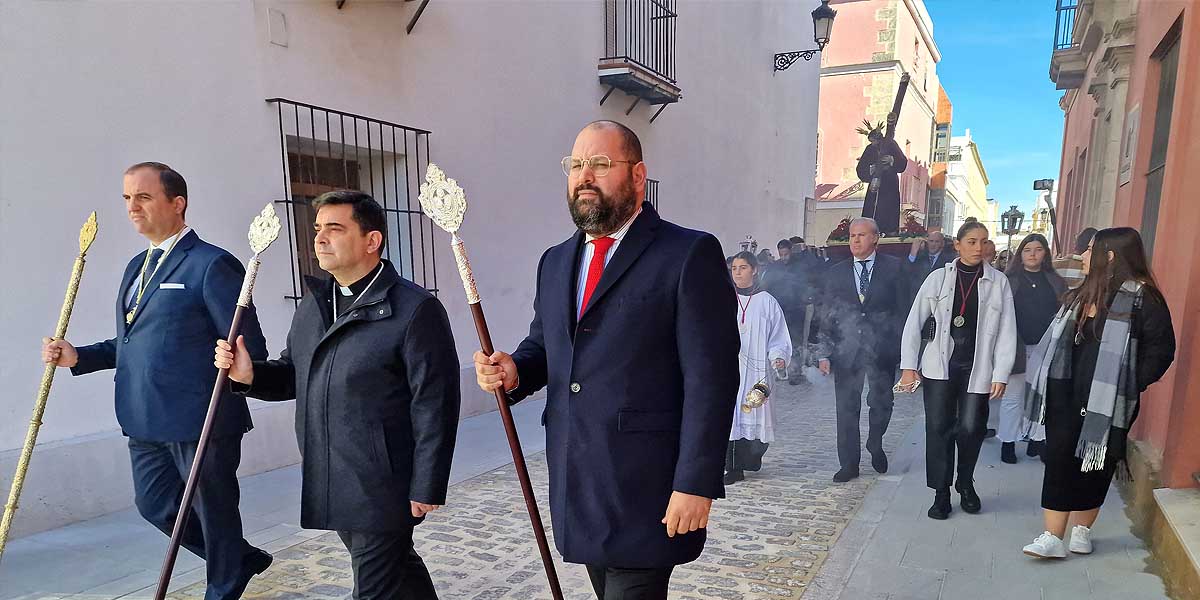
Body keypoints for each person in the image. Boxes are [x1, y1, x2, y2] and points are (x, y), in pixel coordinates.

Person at [473, 120, 740, 599]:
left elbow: (711, 378)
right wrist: (515, 369)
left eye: (600, 163)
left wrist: (697, 482)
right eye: (575, 165)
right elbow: (547, 346)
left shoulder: (687, 254)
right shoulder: (555, 261)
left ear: (637, 176)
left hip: (648, 486)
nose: (584, 176)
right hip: (579, 479)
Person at [42, 162, 272, 600]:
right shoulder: (136, 266)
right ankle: (237, 558)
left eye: (143, 197)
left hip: (200, 419)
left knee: (213, 510)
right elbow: (133, 339)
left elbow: (248, 346)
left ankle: (223, 585)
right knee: (155, 506)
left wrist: (242, 366)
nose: (132, 208)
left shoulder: (211, 264)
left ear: (177, 203)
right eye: (127, 198)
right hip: (143, 418)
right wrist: (79, 356)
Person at [215, 191, 460, 599]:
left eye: (335, 228)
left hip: (384, 479)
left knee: (375, 584)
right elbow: (294, 375)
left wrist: (428, 483)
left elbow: (435, 402)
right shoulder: (314, 305)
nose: (320, 238)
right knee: (398, 569)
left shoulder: (415, 310)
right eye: (317, 229)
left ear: (372, 240)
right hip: (331, 471)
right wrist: (249, 375)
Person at [1021, 227, 1175, 559]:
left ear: (1110, 256)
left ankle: (1082, 529)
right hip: (1064, 393)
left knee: (1095, 464)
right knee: (1059, 460)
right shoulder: (1083, 292)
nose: (1083, 255)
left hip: (1108, 402)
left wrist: (1131, 383)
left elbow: (1161, 351)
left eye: (1091, 250)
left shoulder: (1144, 298)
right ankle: (1051, 536)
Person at [898, 221, 1017, 520]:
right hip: (940, 365)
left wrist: (1001, 373)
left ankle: (965, 482)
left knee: (970, 428)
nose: (979, 248)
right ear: (959, 245)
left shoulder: (998, 282)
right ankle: (941, 493)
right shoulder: (938, 279)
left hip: (977, 366)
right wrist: (909, 367)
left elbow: (1007, 331)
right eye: (972, 241)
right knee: (938, 428)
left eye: (983, 242)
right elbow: (915, 323)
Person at [815, 218, 908, 483]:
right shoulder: (835, 273)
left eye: (861, 235)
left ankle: (875, 443)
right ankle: (849, 464)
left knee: (881, 402)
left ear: (875, 238)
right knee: (846, 407)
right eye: (852, 235)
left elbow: (903, 310)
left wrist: (905, 350)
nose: (855, 240)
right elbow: (826, 313)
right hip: (847, 350)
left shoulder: (894, 268)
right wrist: (823, 352)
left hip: (882, 348)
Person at [725, 251, 792, 485]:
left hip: (757, 371)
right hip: (730, 367)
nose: (737, 272)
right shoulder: (724, 299)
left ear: (754, 270)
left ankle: (752, 458)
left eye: (742, 267)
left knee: (754, 410)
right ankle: (733, 468)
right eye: (734, 268)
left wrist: (778, 356)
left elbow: (778, 336)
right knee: (731, 416)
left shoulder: (767, 302)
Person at [997, 234, 1064, 464]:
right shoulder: (1009, 280)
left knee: (1042, 396)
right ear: (1020, 254)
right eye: (1027, 250)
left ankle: (1037, 440)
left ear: (1045, 252)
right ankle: (1008, 442)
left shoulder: (1055, 280)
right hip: (1016, 345)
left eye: (1038, 249)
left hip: (1045, 346)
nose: (1033, 254)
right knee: (1013, 397)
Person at [763, 238, 813, 385]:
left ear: (790, 251)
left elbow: (806, 285)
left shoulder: (800, 266)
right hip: (780, 310)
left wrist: (806, 297)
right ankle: (781, 370)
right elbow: (767, 286)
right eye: (781, 254)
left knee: (795, 340)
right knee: (780, 341)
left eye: (786, 254)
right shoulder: (774, 268)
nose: (783, 258)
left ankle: (795, 372)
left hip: (796, 310)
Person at [856, 116, 909, 234]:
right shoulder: (869, 149)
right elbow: (860, 170)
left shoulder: (891, 144)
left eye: (874, 141)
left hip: (889, 185)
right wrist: (871, 169)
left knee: (888, 211)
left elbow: (902, 163)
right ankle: (869, 231)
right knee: (872, 210)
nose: (873, 144)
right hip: (875, 187)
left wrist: (892, 160)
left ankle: (889, 232)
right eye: (871, 142)